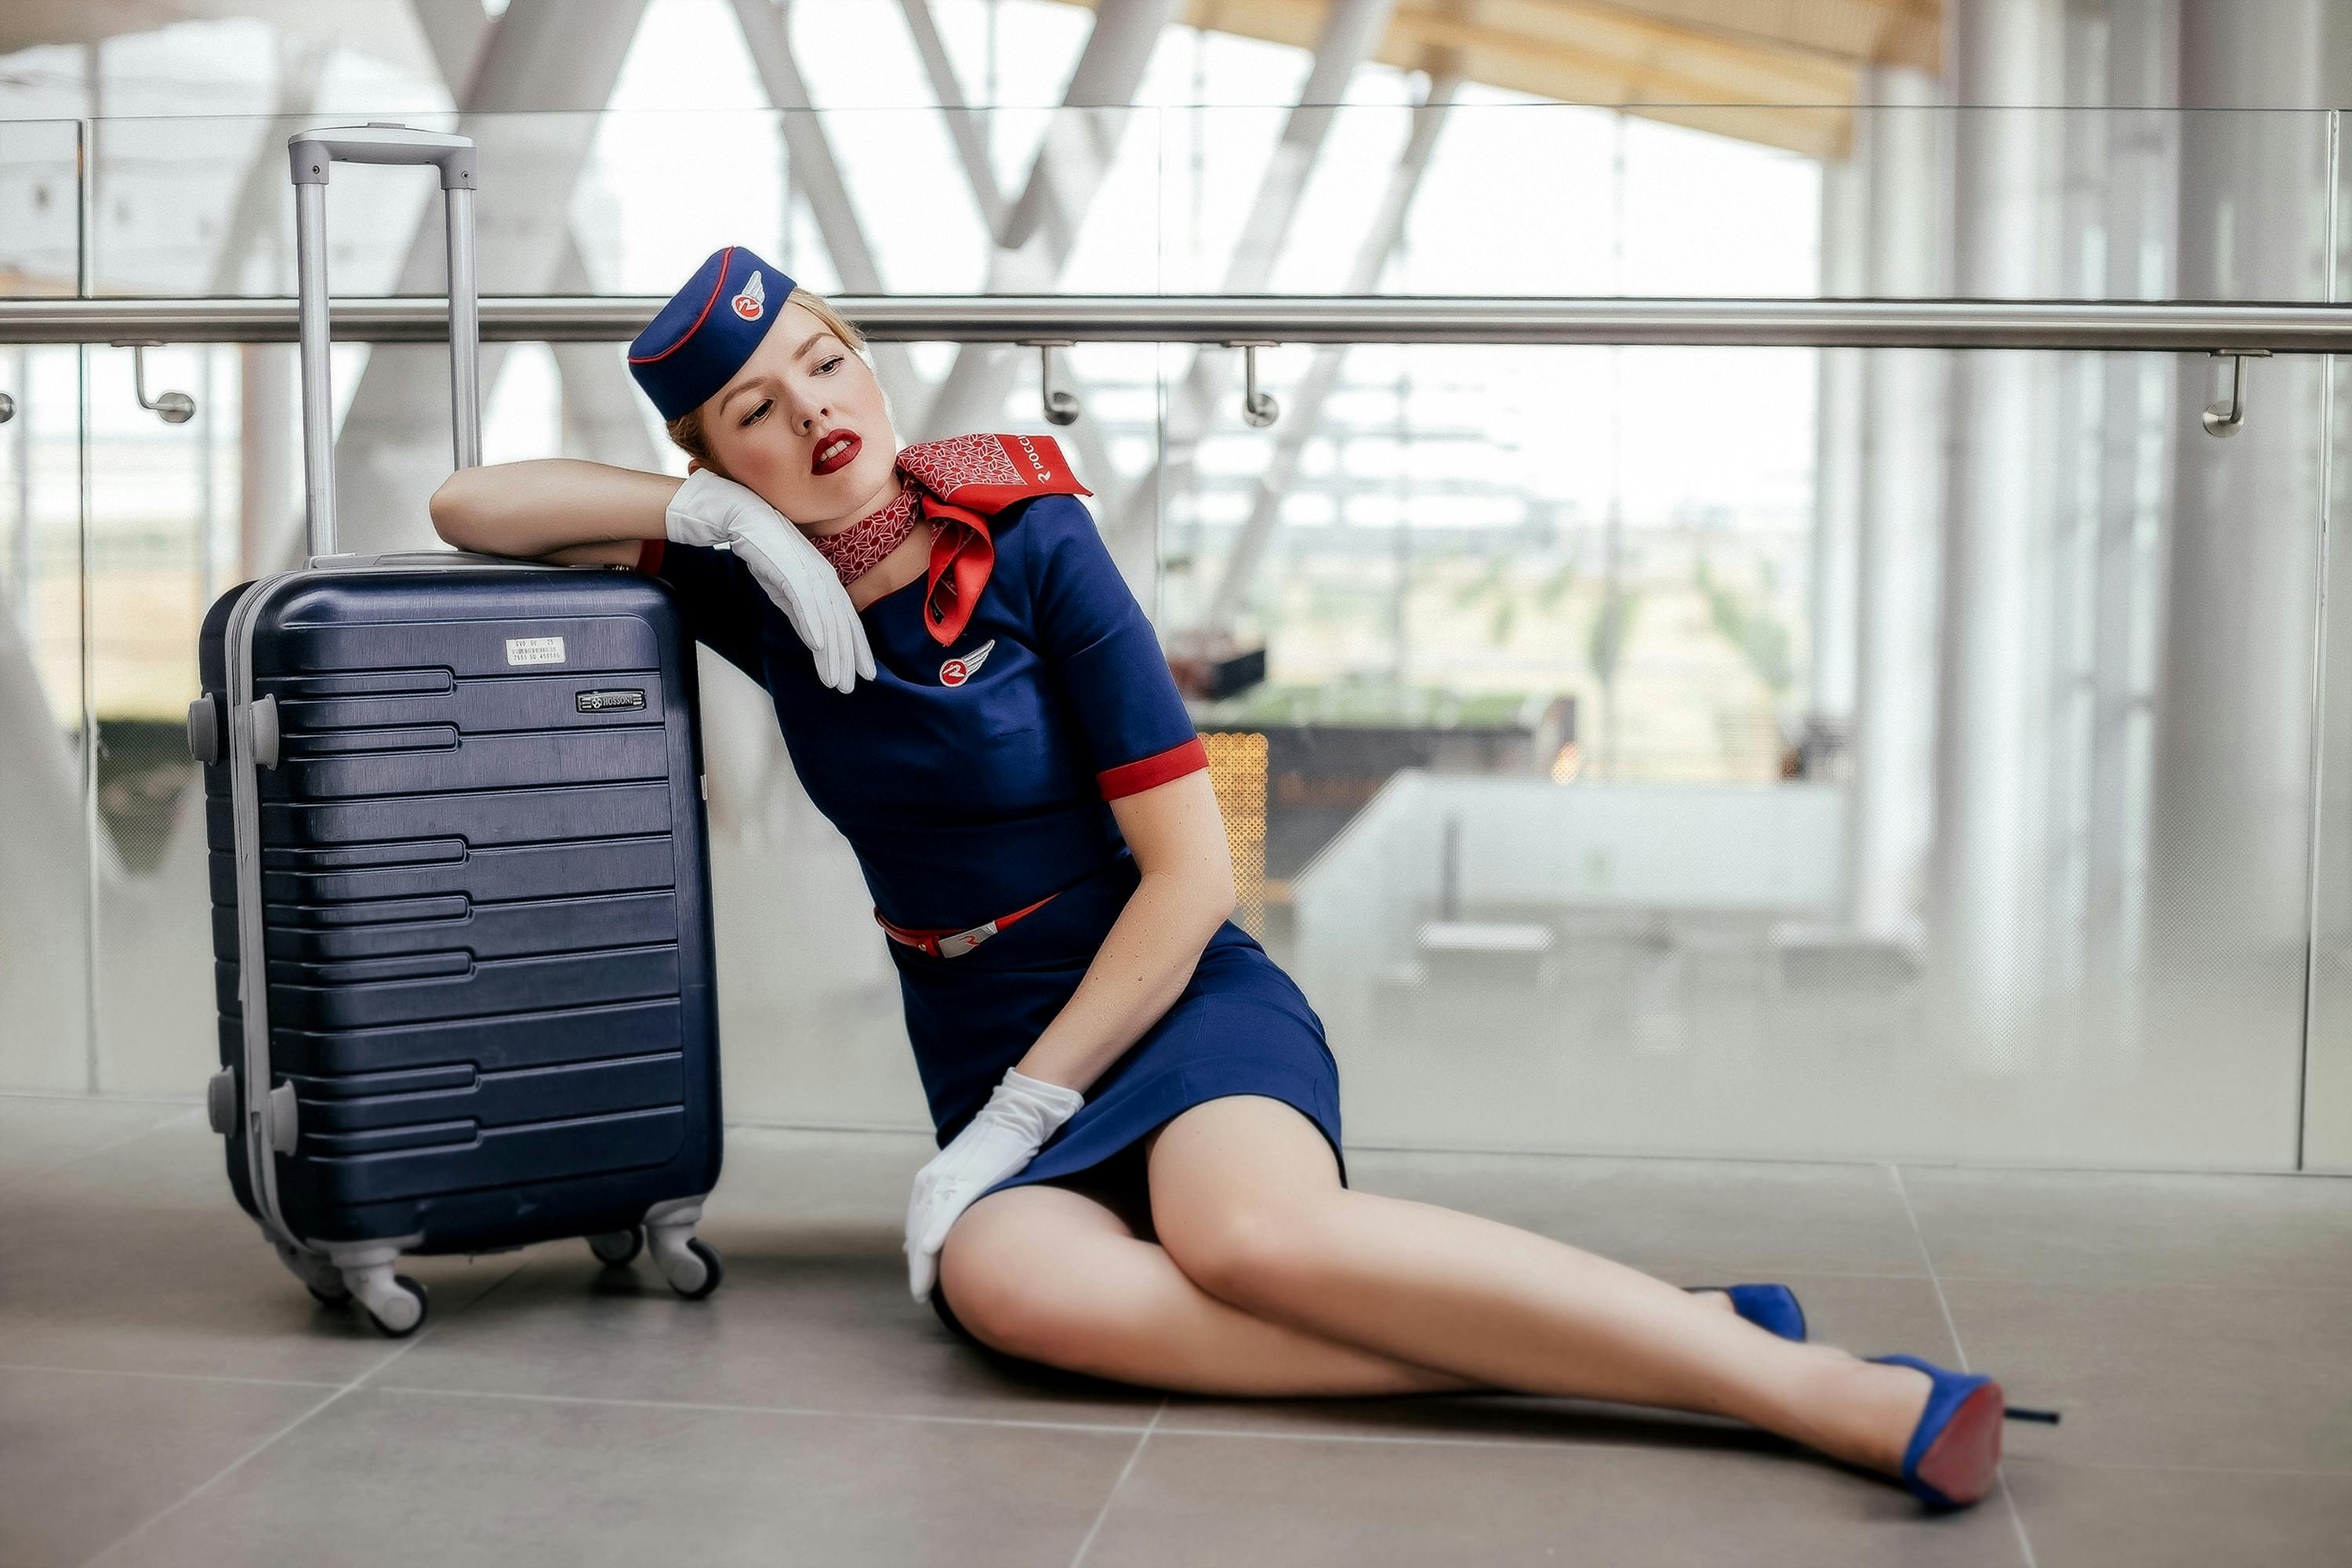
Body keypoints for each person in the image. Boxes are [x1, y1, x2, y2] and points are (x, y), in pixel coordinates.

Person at [429, 246, 2048, 1511]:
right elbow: (471, 506)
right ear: (718, 454)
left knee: (1251, 1244)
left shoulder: (1037, 538)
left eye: (826, 361)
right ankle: (1665, 1321)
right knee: (1004, 1291)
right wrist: (728, 529)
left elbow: (1196, 873)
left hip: (1169, 1001)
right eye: (756, 413)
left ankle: (1813, 1388)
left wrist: (1021, 1114)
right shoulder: (760, 595)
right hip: (981, 1028)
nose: (816, 411)